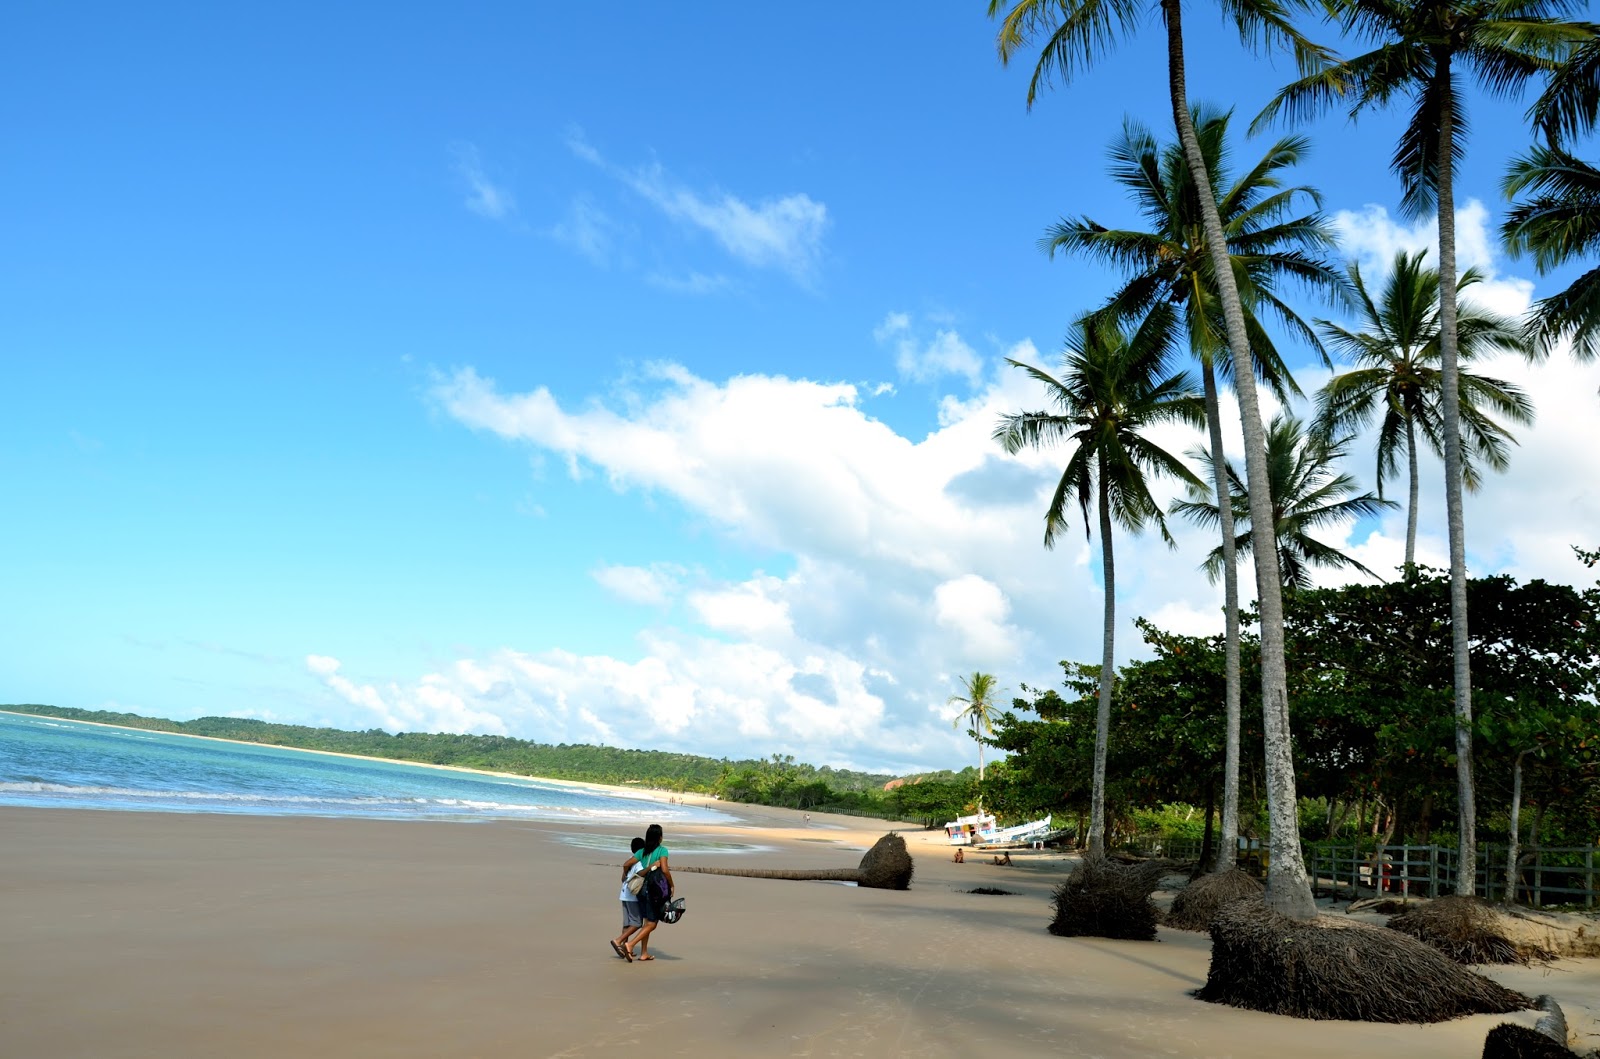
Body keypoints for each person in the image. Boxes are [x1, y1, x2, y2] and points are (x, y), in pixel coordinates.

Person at [630, 823, 673, 962]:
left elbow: (627, 863)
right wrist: (672, 885)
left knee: (646, 922)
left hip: (641, 889)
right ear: (660, 838)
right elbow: (665, 870)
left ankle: (644, 953)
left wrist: (624, 874)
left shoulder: (642, 851)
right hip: (654, 890)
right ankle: (630, 944)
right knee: (652, 924)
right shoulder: (662, 850)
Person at [610, 837, 645, 962]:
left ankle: (622, 948)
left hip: (624, 894)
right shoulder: (639, 862)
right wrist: (651, 867)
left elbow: (622, 878)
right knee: (637, 923)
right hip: (632, 896)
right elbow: (641, 874)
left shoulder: (630, 860)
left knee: (627, 923)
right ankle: (618, 941)